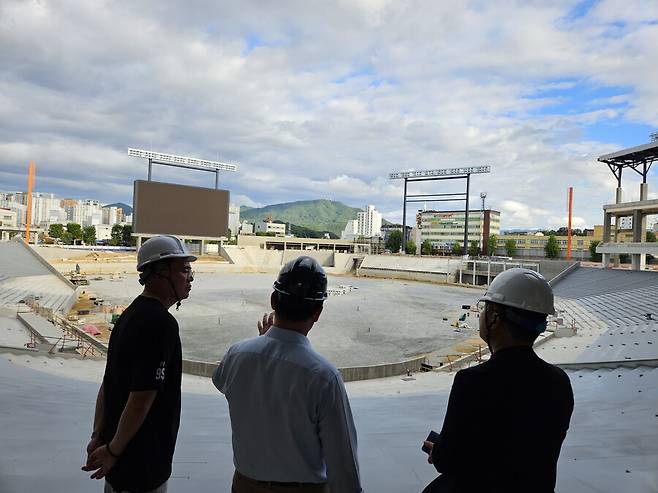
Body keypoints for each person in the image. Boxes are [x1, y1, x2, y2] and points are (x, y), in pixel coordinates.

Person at [213, 256, 363, 493]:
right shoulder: (324, 377)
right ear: (318, 312)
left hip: (244, 485)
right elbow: (343, 463)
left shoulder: (237, 355)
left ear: (274, 300)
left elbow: (220, 381)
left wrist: (263, 345)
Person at [423, 268, 574, 493]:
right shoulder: (559, 382)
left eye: (485, 309)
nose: (481, 315)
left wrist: (438, 451)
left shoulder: (472, 382)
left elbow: (448, 461)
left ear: (495, 317)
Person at [82, 235, 196, 492]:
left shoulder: (130, 315)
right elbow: (142, 398)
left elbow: (108, 383)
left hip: (118, 457)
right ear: (160, 273)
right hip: (141, 465)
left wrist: (99, 435)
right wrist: (112, 450)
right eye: (184, 269)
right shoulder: (161, 324)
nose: (190, 277)